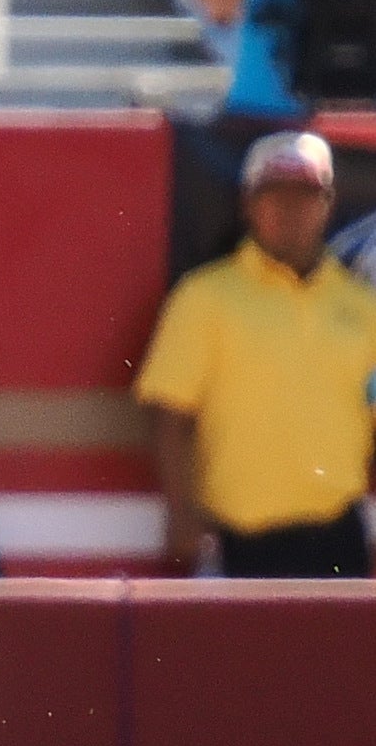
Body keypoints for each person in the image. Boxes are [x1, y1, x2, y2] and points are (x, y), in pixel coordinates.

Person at [136, 130, 376, 580]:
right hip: (238, 540)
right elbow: (168, 413)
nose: (289, 210)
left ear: (327, 204)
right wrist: (180, 512)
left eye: (304, 195)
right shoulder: (205, 297)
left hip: (339, 536)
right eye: (274, 195)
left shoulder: (364, 308)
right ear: (248, 204)